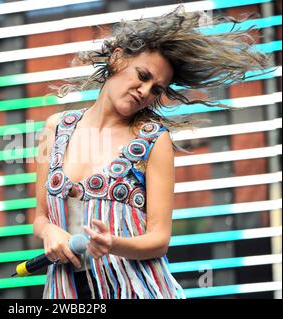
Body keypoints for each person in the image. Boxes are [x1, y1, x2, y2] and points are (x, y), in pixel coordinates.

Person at [32, 5, 270, 299]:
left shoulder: (154, 141)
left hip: (138, 289)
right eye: (142, 75)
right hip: (65, 292)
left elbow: (159, 240)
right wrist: (49, 233)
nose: (145, 91)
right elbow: (40, 216)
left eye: (156, 89)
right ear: (118, 58)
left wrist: (113, 243)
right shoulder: (54, 128)